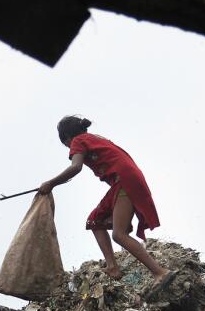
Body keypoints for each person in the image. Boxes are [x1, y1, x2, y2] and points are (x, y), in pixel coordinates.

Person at [38, 116, 173, 285]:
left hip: (124, 181)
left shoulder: (78, 141)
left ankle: (160, 272)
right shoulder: (94, 138)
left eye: (65, 144)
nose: (68, 148)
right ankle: (112, 267)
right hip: (125, 180)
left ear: (66, 138)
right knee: (95, 220)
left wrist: (51, 183)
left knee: (119, 234)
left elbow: (76, 167)